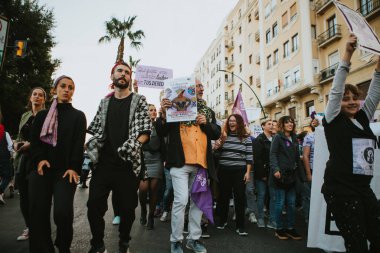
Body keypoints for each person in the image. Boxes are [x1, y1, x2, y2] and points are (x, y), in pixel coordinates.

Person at [322, 34, 380, 253]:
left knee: (377, 235)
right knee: (356, 244)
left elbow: (375, 88)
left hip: (362, 188)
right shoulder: (333, 120)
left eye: (355, 97)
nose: (352, 102)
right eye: (346, 99)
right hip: (341, 189)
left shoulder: (363, 117)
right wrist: (347, 53)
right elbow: (336, 89)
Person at [86, 61, 151, 253]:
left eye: (127, 72)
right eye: (119, 71)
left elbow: (146, 131)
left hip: (127, 165)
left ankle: (124, 242)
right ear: (112, 76)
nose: (123, 74)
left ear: (130, 78)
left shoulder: (138, 100)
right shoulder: (104, 102)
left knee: (128, 210)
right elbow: (97, 131)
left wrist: (135, 144)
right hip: (104, 165)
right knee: (94, 206)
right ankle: (97, 245)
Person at [157, 81, 220, 253]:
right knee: (181, 200)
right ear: (188, 90)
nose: (201, 88)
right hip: (179, 163)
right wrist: (163, 113)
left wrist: (206, 123)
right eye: (196, 86)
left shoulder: (208, 112)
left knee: (197, 204)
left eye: (201, 86)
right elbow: (161, 131)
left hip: (201, 165)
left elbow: (216, 133)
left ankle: (194, 239)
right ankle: (175, 241)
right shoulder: (176, 107)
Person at [28, 76, 87, 253]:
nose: (67, 89)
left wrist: (74, 167)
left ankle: (63, 246)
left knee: (62, 212)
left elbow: (78, 144)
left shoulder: (78, 116)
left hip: (65, 172)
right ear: (55, 89)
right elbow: (35, 141)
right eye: (63, 86)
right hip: (42, 170)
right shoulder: (42, 116)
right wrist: (39, 159)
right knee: (38, 213)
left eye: (71, 87)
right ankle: (43, 249)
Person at [13, 87, 47, 241]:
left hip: (38, 160)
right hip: (22, 160)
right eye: (35, 94)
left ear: (44, 100)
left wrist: (31, 145)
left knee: (36, 197)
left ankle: (39, 227)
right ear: (30, 97)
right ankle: (29, 227)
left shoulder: (47, 116)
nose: (37, 97)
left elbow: (48, 139)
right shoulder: (25, 116)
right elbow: (20, 135)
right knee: (24, 197)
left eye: (41, 95)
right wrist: (16, 143)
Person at [214, 114, 252, 236]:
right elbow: (215, 150)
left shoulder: (246, 138)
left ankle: (240, 226)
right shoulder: (223, 135)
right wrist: (221, 141)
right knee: (223, 197)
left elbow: (249, 157)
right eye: (230, 121)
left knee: (240, 197)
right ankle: (222, 221)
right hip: (224, 170)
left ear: (239, 123)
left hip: (239, 171)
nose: (231, 123)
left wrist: (247, 172)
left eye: (234, 121)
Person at [269, 115, 303, 240]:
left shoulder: (295, 138)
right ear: (282, 124)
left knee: (291, 203)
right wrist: (276, 169)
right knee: (280, 203)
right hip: (280, 177)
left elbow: (296, 158)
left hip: (292, 177)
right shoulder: (278, 137)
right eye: (287, 122)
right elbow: (273, 154)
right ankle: (279, 228)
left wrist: (302, 175)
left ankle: (290, 228)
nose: (290, 124)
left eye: (292, 122)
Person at [139, 103, 165, 229]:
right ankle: (143, 209)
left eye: (155, 110)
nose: (153, 112)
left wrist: (163, 112)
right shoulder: (141, 124)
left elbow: (165, 127)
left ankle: (150, 217)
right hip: (143, 160)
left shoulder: (159, 124)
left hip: (157, 160)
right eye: (151, 110)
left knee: (154, 189)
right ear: (146, 112)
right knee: (143, 189)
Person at [253, 119, 277, 228]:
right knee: (262, 196)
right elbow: (257, 159)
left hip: (273, 173)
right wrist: (262, 174)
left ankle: (272, 220)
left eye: (272, 124)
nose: (272, 126)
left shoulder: (276, 139)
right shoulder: (259, 140)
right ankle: (260, 218)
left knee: (273, 196)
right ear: (263, 126)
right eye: (269, 124)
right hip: (262, 173)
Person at [302, 117, 319, 223]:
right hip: (313, 170)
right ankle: (308, 217)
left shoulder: (330, 135)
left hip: (325, 171)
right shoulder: (310, 137)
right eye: (314, 121)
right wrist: (308, 174)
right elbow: (305, 156)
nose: (316, 122)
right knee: (309, 195)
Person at [0, 122, 14, 206]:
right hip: (4, 157)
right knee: (7, 176)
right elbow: (10, 146)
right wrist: (11, 155)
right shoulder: (5, 134)